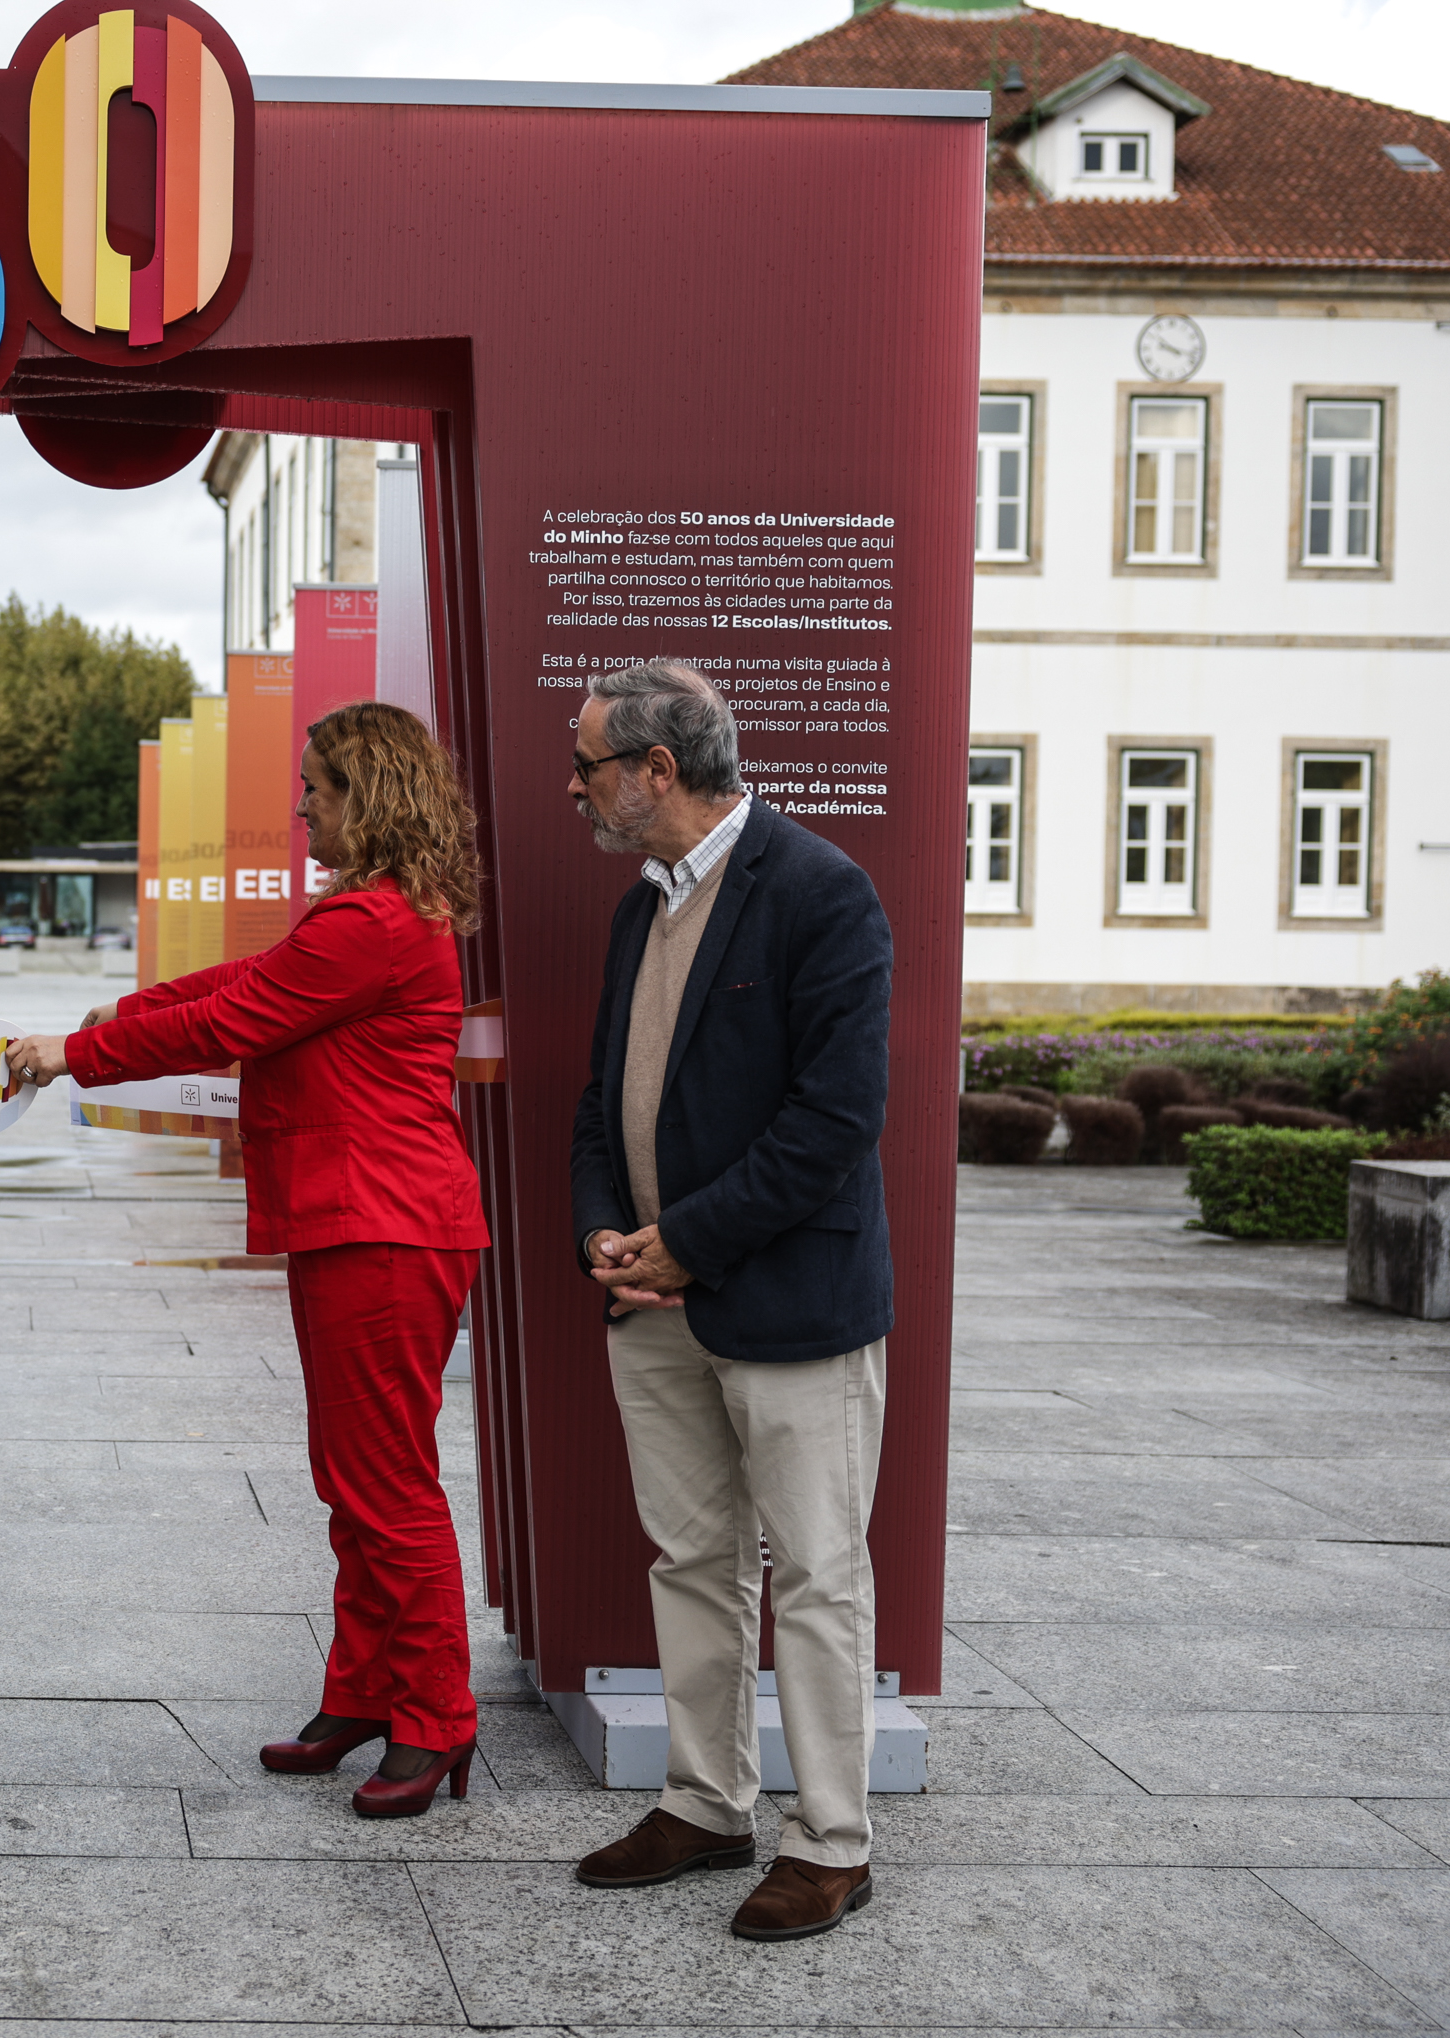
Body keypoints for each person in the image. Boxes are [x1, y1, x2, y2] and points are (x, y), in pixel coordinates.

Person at [7, 701, 488, 1819]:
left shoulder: (372, 922)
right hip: (362, 1222)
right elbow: (240, 984)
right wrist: (120, 1010)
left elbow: (232, 1021)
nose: (301, 804)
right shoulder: (367, 915)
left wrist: (76, 1053)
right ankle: (364, 1692)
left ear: (366, 793)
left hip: (382, 1225)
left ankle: (436, 1714)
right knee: (355, 1478)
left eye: (316, 785)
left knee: (386, 1485)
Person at [563, 659, 892, 1942]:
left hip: (789, 1300)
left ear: (658, 770)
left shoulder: (820, 890)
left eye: (589, 765)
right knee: (692, 1561)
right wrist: (606, 1230)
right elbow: (602, 1102)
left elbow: (835, 1121)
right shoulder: (638, 909)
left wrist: (687, 1243)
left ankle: (833, 1842)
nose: (575, 788)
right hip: (653, 1305)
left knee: (815, 1573)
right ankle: (706, 1805)